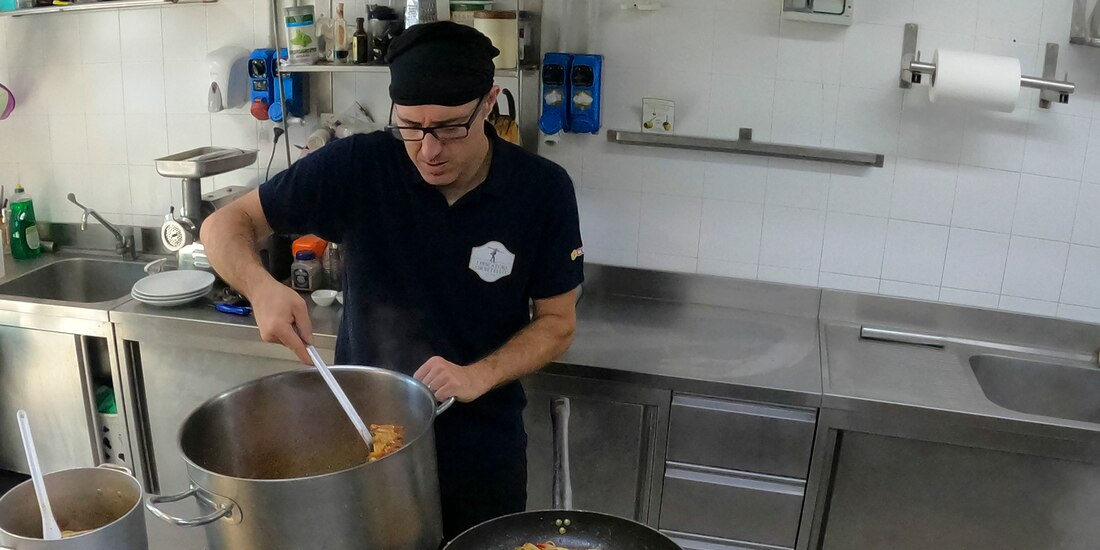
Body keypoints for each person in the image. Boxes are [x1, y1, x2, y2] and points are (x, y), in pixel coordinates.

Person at [200, 21, 584, 540]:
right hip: (366, 447)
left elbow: (558, 323)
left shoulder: (541, 191)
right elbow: (224, 224)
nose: (429, 150)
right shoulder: (360, 167)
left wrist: (479, 374)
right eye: (410, 126)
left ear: (489, 103)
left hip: (481, 451)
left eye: (450, 128)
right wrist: (260, 287)